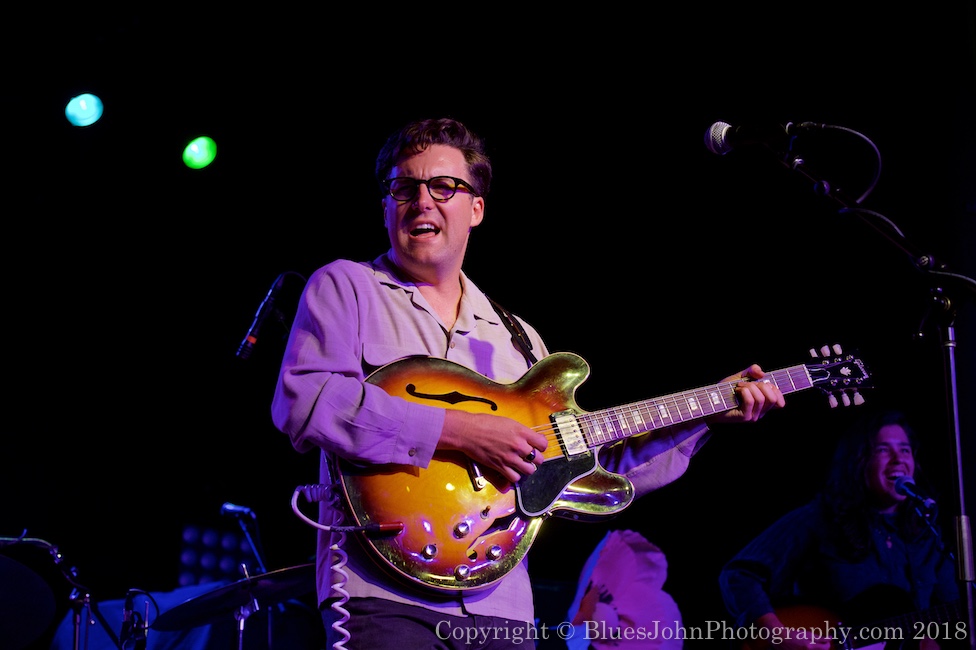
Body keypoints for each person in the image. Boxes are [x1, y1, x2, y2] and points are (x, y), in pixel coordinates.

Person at [270, 117, 786, 650]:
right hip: (382, 593)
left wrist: (707, 415)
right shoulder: (346, 286)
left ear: (476, 209)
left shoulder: (520, 342)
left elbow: (585, 467)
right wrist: (459, 431)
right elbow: (305, 402)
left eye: (443, 186)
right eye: (405, 187)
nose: (422, 200)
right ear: (386, 205)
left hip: (503, 605)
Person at [718, 408, 965, 650]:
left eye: (905, 450)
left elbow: (949, 606)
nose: (898, 459)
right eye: (882, 449)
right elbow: (739, 574)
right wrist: (776, 634)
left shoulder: (927, 534)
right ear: (859, 461)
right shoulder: (819, 519)